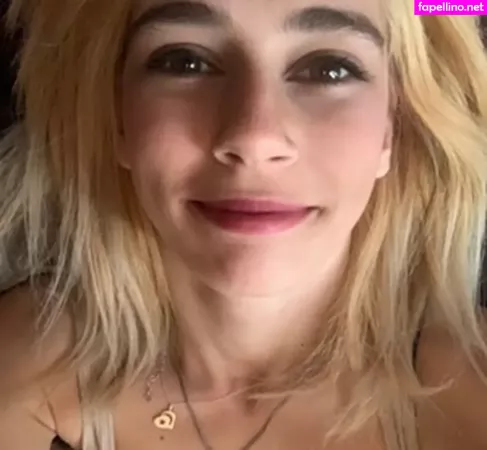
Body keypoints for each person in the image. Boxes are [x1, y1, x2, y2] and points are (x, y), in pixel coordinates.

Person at [1, 1, 487, 449]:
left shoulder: (470, 387)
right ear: (119, 119)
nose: (254, 137)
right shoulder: (27, 358)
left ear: (390, 129)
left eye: (329, 69)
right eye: (186, 61)